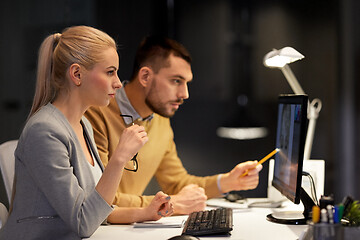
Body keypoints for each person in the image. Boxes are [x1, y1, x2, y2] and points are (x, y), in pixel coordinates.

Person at [0, 26, 173, 240]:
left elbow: (95, 208)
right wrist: (119, 158)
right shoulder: (44, 131)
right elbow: (83, 222)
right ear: (77, 74)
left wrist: (145, 212)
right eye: (110, 72)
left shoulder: (83, 124)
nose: (118, 83)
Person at [84, 35, 262, 215]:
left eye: (186, 83)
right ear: (145, 76)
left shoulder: (160, 120)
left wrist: (227, 181)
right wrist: (169, 203)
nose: (185, 94)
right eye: (176, 81)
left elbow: (176, 183)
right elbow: (100, 199)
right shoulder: (96, 114)